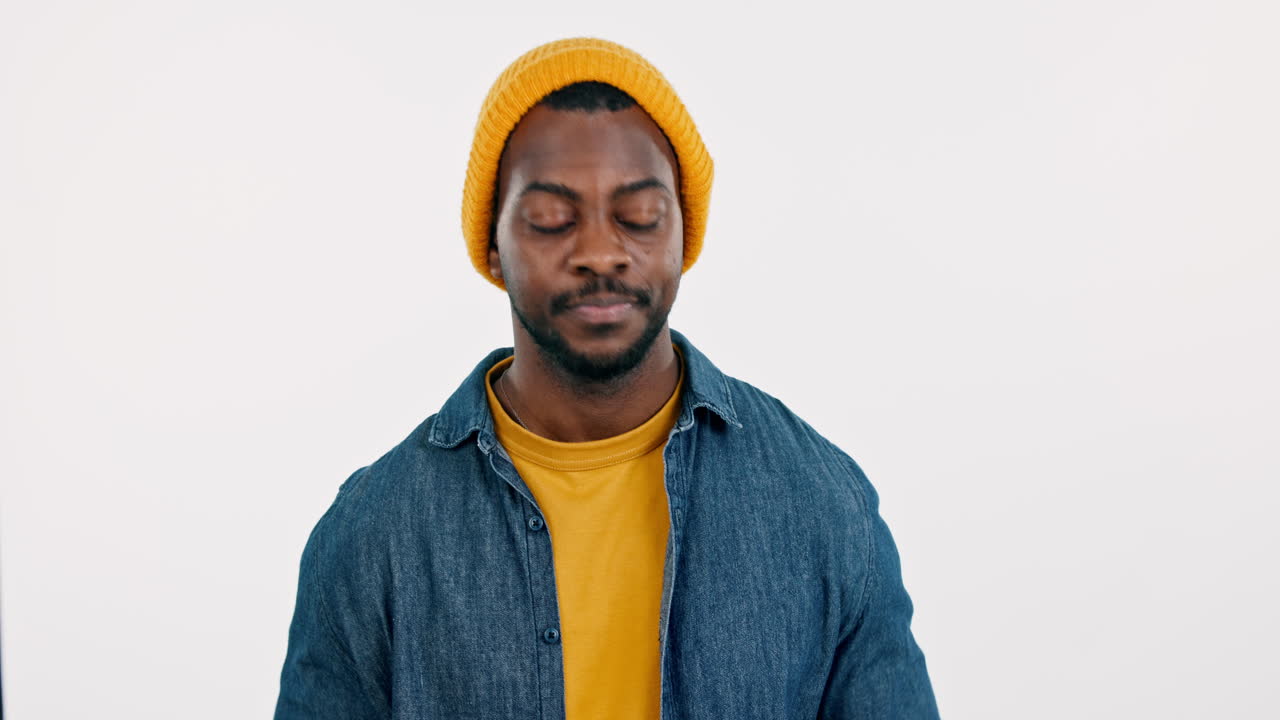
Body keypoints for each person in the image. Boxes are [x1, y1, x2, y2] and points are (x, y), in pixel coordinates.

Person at [274, 37, 939, 720]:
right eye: (551, 219)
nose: (599, 252)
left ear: (684, 235)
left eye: (639, 217)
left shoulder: (822, 503)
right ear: (494, 246)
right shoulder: (373, 534)